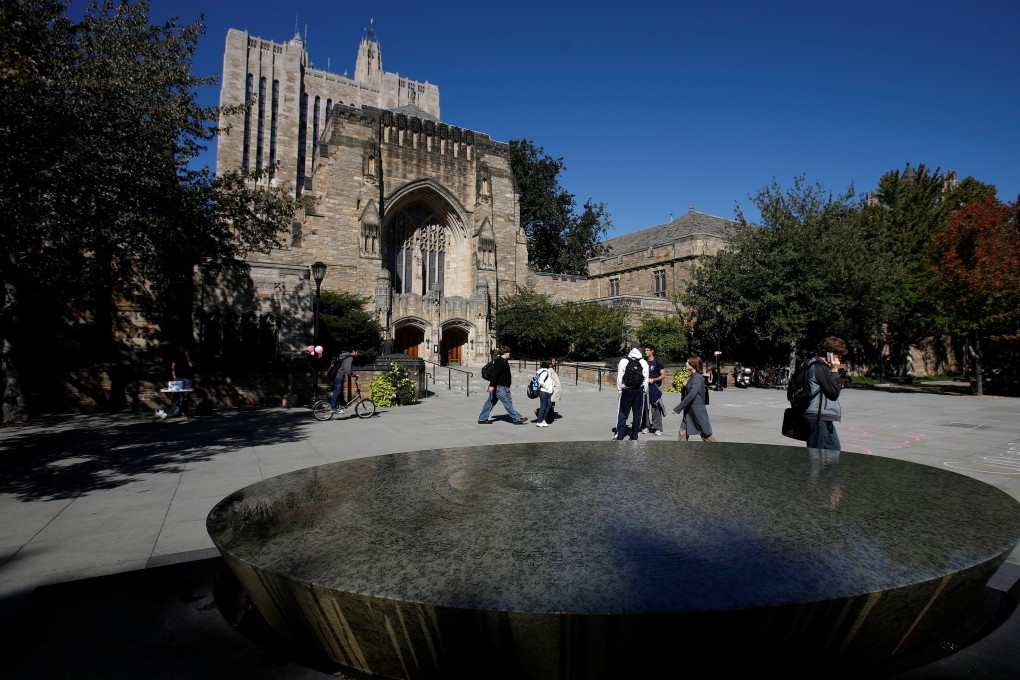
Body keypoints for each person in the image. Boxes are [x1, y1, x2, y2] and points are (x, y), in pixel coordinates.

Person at [803, 336, 846, 451]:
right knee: (815, 456)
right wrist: (835, 370)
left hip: (822, 416)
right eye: (838, 354)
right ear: (830, 353)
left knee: (834, 452)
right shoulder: (819, 368)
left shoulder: (815, 364)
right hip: (817, 418)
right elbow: (834, 393)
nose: (840, 358)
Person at [478, 345, 528, 425]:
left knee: (490, 402)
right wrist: (491, 386)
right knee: (507, 403)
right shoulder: (499, 361)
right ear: (505, 352)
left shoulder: (504, 361)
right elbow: (495, 374)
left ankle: (482, 419)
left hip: (503, 386)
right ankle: (516, 419)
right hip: (500, 387)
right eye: (509, 352)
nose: (510, 353)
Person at [672, 355, 717, 442]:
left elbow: (692, 395)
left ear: (693, 364)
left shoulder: (697, 377)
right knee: (682, 433)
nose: (686, 363)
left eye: (688, 362)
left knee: (706, 435)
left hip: (697, 410)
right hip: (689, 410)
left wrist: (678, 408)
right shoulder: (693, 376)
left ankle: (719, 452)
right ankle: (682, 453)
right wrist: (686, 385)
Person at [614, 341, 649, 440]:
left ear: (630, 349)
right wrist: (644, 391)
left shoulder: (623, 361)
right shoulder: (643, 362)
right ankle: (634, 435)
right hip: (638, 391)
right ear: (638, 349)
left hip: (626, 390)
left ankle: (620, 435)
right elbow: (646, 379)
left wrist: (620, 390)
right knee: (637, 413)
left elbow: (620, 377)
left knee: (622, 413)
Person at [641, 344, 665, 435]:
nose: (646, 352)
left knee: (655, 407)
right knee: (645, 407)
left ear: (652, 351)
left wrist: (654, 380)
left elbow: (663, 375)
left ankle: (658, 428)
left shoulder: (658, 362)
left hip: (654, 387)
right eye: (645, 350)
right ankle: (645, 426)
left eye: (647, 350)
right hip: (645, 387)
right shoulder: (643, 361)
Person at [533, 360, 557, 427]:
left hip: (546, 392)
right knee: (543, 407)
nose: (551, 365)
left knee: (549, 406)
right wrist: (547, 388)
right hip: (543, 391)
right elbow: (541, 381)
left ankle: (543, 419)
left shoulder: (545, 371)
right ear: (547, 365)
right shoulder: (545, 372)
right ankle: (539, 421)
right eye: (550, 364)